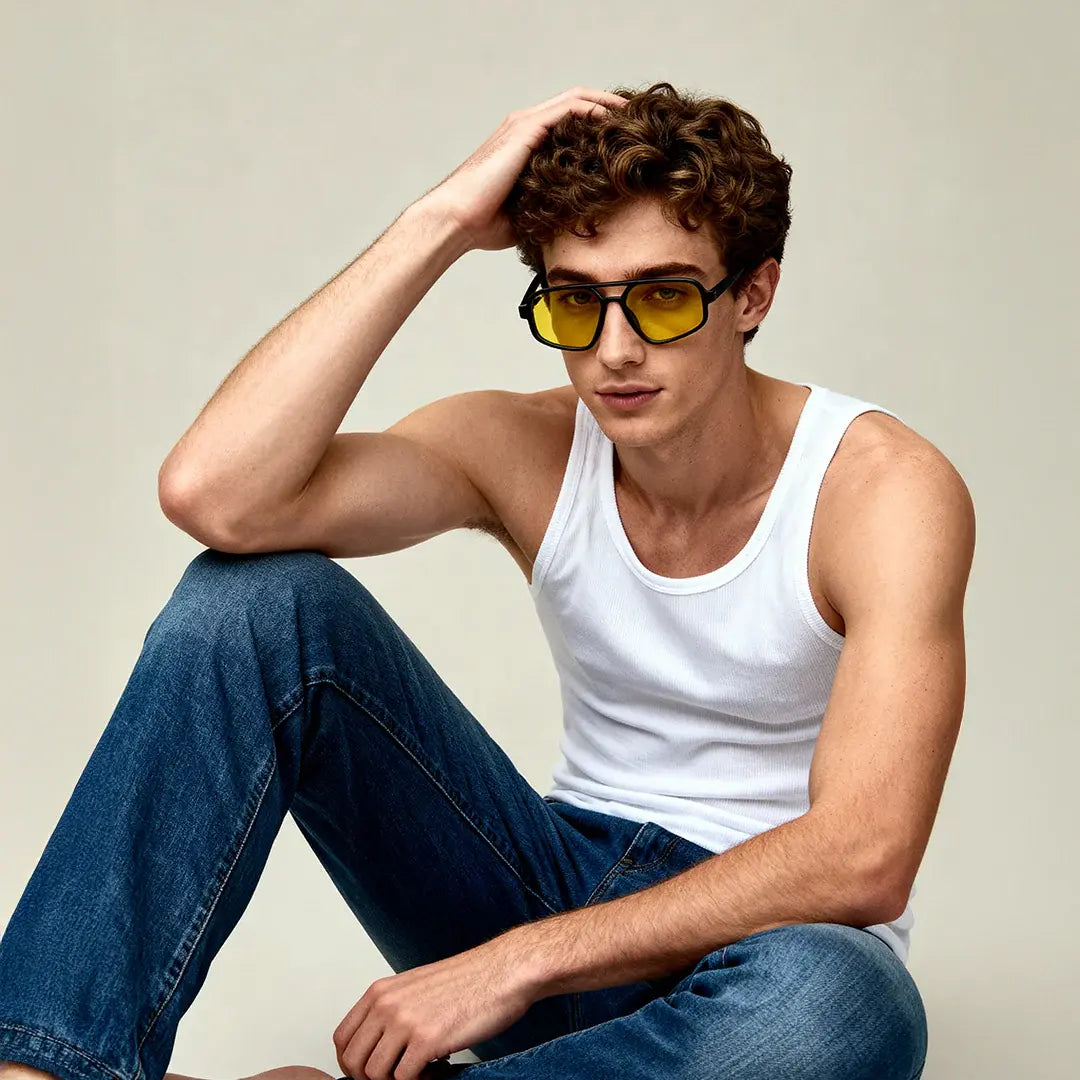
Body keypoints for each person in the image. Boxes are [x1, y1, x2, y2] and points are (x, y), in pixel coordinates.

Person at [0, 82, 974, 1080]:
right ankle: (44, 1066)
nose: (616, 350)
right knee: (249, 603)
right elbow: (217, 495)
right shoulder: (527, 445)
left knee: (848, 1008)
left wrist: (514, 964)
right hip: (546, 880)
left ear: (753, 295)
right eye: (576, 301)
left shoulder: (880, 489)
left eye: (664, 297)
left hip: (766, 948)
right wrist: (443, 221)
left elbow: (865, 854)